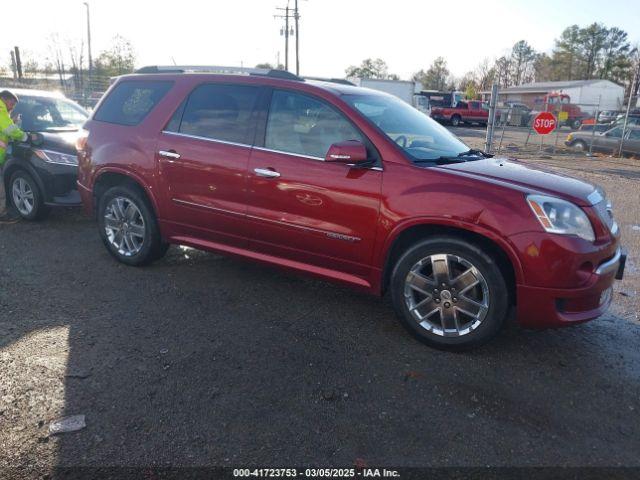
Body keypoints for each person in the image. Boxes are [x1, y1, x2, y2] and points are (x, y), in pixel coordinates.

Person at [0, 90, 28, 222]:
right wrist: (25, 136)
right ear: (5, 99)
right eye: (12, 104)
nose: (12, 107)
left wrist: (11, 120)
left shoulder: (3, 112)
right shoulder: (0, 108)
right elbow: (8, 129)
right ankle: (2, 215)